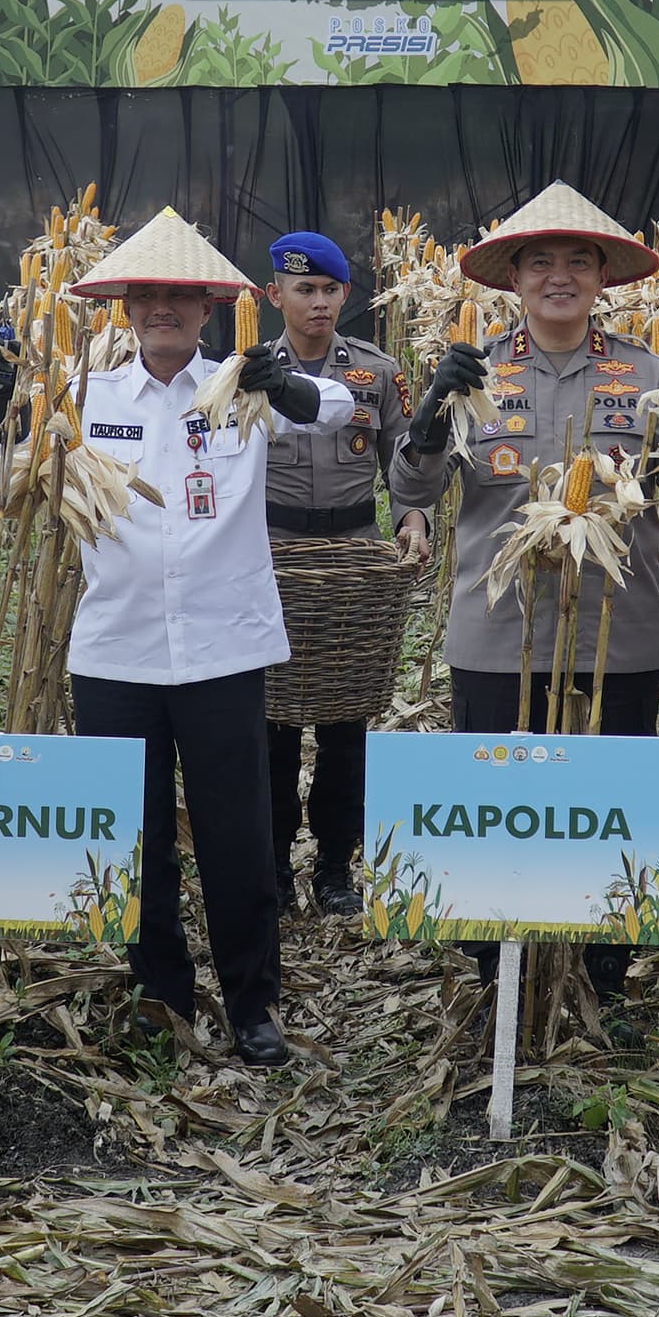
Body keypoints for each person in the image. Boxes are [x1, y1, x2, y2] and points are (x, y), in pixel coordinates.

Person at [0, 208, 354, 1067]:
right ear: (127, 308)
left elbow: (330, 409)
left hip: (225, 648)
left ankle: (253, 1003)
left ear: (207, 309)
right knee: (138, 834)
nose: (164, 309)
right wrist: (8, 401)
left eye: (181, 297)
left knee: (238, 837)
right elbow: (4, 470)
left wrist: (290, 384)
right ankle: (160, 993)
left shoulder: (242, 386)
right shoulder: (88, 395)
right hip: (115, 650)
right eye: (149, 295)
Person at [389, 181, 659, 1011]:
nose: (558, 277)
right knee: (495, 808)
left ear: (603, 277)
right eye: (539, 261)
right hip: (495, 630)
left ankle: (601, 978)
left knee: (611, 812)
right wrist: (432, 413)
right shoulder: (471, 375)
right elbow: (414, 485)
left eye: (578, 261)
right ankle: (496, 975)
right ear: (512, 278)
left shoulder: (649, 377)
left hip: (617, 633)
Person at [257, 229, 425, 917]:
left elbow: (407, 460)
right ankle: (269, 865)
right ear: (276, 296)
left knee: (346, 721)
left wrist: (412, 519)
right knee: (269, 722)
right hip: (269, 557)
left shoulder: (377, 373)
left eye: (330, 290)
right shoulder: (247, 372)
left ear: (345, 295)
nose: (319, 302)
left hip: (354, 555)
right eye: (304, 290)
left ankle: (333, 867)